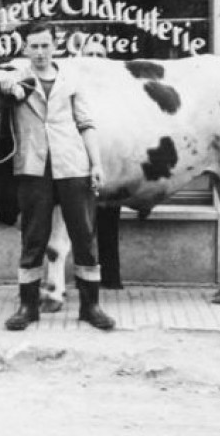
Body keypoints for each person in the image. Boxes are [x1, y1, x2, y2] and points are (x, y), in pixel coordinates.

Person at [0, 22, 115, 331]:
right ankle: (28, 307)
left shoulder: (71, 79)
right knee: (33, 238)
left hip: (72, 166)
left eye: (45, 45)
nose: (40, 52)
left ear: (55, 46)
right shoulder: (16, 76)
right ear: (25, 49)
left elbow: (86, 123)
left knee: (83, 236)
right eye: (33, 46)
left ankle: (91, 307)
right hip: (33, 169)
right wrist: (10, 84)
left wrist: (96, 164)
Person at [79, 39, 123, 289]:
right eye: (90, 54)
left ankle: (111, 279)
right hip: (80, 167)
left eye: (100, 54)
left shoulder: (116, 89)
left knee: (109, 225)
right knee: (82, 228)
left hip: (110, 168)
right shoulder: (75, 88)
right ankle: (85, 279)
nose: (95, 59)